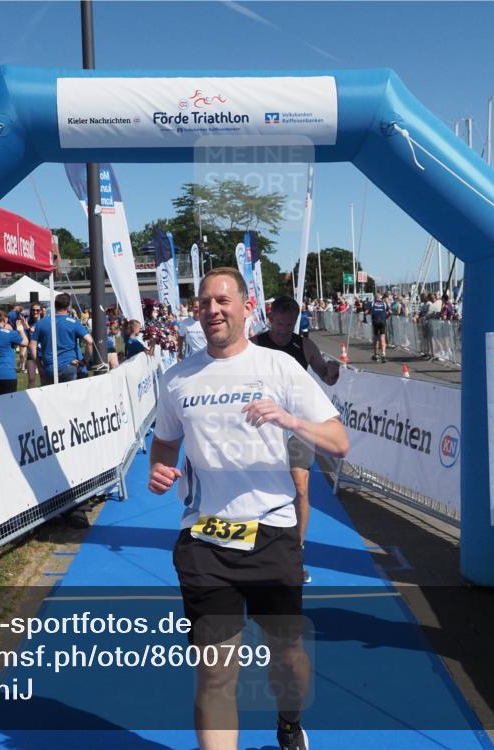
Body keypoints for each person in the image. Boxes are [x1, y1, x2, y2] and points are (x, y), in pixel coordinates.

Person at [149, 268, 348, 750]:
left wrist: (289, 419)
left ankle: (288, 720)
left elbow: (339, 443)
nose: (212, 309)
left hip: (272, 534)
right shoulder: (177, 379)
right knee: (215, 673)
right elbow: (164, 446)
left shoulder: (279, 368)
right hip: (204, 540)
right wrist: (158, 472)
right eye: (203, 302)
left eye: (222, 300)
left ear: (245, 306)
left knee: (287, 657)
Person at [251, 295, 341, 585]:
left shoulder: (303, 344)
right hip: (263, 427)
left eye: (289, 325)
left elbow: (325, 377)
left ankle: (295, 552)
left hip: (297, 424)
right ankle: (256, 549)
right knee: (259, 489)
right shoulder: (255, 344)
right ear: (270, 319)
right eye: (279, 324)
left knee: (300, 489)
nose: (283, 330)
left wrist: (333, 370)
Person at [30, 293, 93, 384]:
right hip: (69, 366)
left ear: (55, 306)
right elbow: (90, 341)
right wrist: (83, 361)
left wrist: (39, 367)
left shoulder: (41, 323)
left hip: (49, 368)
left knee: (51, 397)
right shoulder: (74, 322)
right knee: (70, 397)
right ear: (68, 307)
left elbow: (32, 346)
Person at [370, 293, 389, 362]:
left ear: (375, 297)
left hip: (375, 321)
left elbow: (367, 311)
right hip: (382, 321)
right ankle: (383, 354)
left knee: (375, 338)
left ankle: (376, 354)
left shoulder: (372, 303)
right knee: (382, 338)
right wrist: (386, 317)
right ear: (380, 298)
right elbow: (390, 311)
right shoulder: (384, 303)